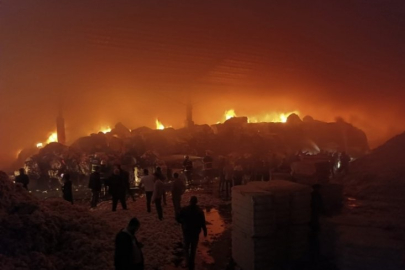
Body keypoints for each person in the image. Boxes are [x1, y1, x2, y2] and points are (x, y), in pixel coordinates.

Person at [177, 196, 207, 270]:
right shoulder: (199, 211)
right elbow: (203, 222)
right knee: (193, 249)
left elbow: (178, 218)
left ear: (190, 201)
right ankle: (191, 262)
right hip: (195, 233)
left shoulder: (184, 210)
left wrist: (183, 222)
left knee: (186, 247)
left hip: (187, 231)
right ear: (196, 202)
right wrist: (205, 230)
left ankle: (187, 262)